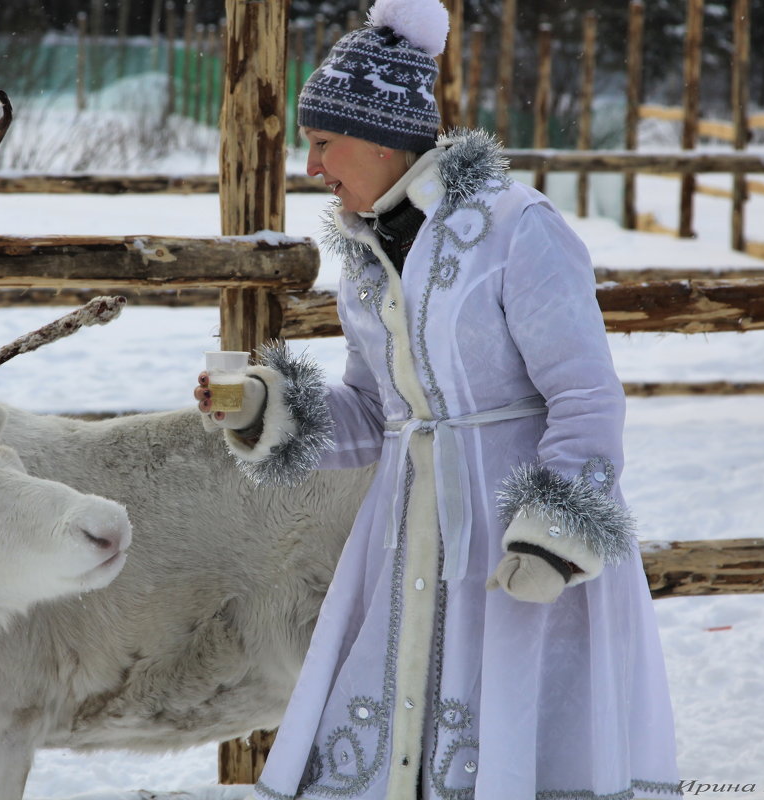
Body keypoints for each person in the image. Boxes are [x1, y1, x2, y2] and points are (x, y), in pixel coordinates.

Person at [194, 0, 681, 796]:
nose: (313, 167)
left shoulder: (517, 228)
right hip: (405, 540)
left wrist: (551, 539)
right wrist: (262, 409)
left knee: (519, 746)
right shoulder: (361, 252)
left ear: (381, 137)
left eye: (323, 144)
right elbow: (373, 415)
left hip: (521, 555)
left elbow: (587, 395)